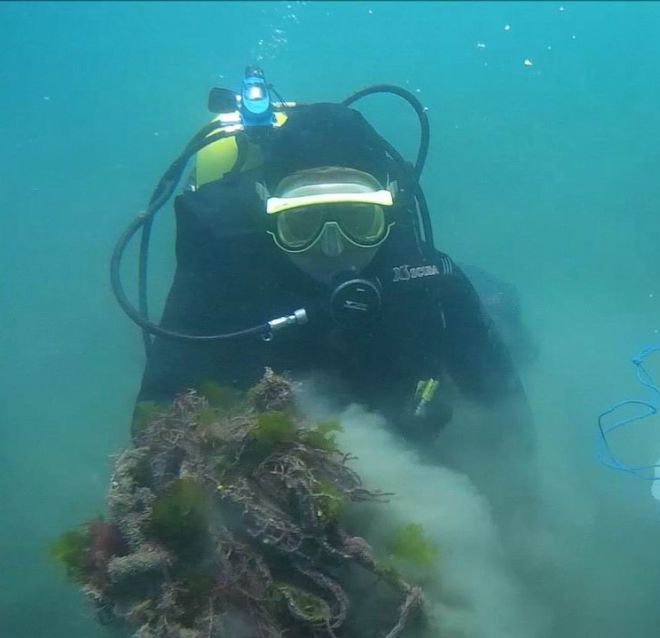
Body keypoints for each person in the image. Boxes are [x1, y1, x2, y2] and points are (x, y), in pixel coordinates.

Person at [129, 95, 537, 522]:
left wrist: (523, 508)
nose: (332, 249)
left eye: (358, 223)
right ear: (269, 218)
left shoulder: (426, 277)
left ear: (389, 212)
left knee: (508, 329)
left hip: (401, 389)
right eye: (302, 225)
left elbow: (504, 405)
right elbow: (158, 410)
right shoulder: (224, 275)